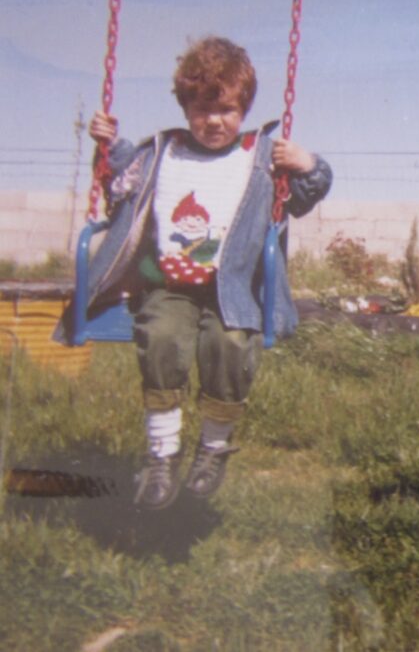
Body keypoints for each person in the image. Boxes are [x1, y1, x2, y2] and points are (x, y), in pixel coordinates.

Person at [59, 36, 332, 510]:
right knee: (161, 337)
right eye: (202, 109)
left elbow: (307, 192)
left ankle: (213, 447)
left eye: (226, 110)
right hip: (167, 284)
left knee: (229, 344)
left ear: (243, 109)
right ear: (185, 108)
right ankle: (162, 453)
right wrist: (107, 143)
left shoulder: (262, 155)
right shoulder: (164, 151)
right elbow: (121, 177)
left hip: (233, 288)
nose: (214, 121)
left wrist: (307, 163)